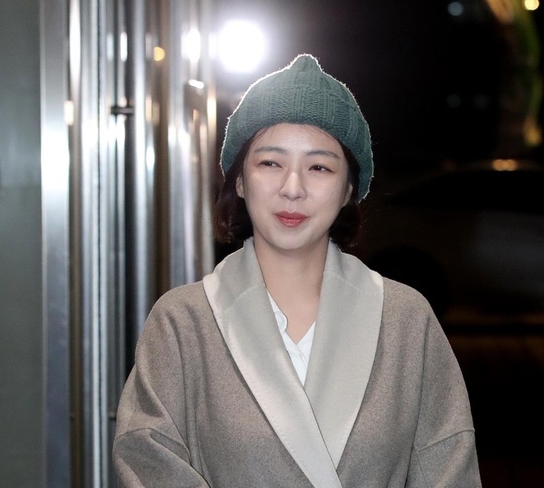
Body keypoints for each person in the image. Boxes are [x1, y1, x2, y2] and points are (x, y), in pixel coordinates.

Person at [112, 54, 482, 487]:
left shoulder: (405, 319)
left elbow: (448, 467)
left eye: (319, 167)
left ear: (348, 189)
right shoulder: (183, 321)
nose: (293, 188)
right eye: (271, 163)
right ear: (239, 180)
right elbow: (146, 459)